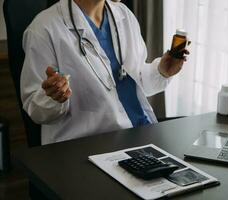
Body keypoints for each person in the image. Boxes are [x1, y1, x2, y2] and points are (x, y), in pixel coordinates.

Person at [21, 0, 188, 145]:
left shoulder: (124, 15)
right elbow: (36, 109)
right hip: (89, 146)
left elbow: (136, 81)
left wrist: (162, 71)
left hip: (140, 134)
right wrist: (53, 98)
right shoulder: (44, 29)